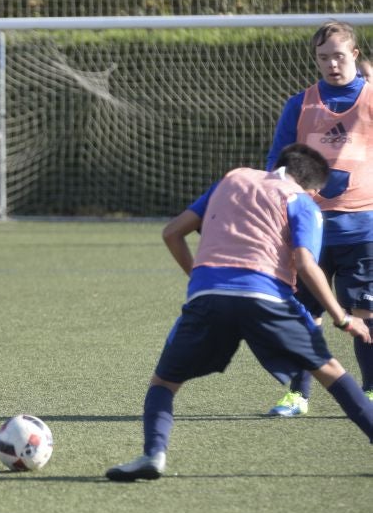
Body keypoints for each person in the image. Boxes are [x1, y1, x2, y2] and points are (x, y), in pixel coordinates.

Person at [105, 143, 373, 482]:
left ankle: (153, 455)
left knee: (165, 382)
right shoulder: (300, 201)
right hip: (267, 298)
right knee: (331, 371)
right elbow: (306, 263)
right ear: (313, 186)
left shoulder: (230, 181)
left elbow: (172, 232)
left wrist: (199, 278)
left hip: (208, 295)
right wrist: (343, 317)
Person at [263, 21, 373, 417]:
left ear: (355, 56)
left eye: (339, 56)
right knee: (303, 314)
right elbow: (277, 163)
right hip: (310, 230)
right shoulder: (300, 104)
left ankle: (371, 391)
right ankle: (298, 394)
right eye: (323, 57)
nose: (331, 64)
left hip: (364, 229)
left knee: (366, 312)